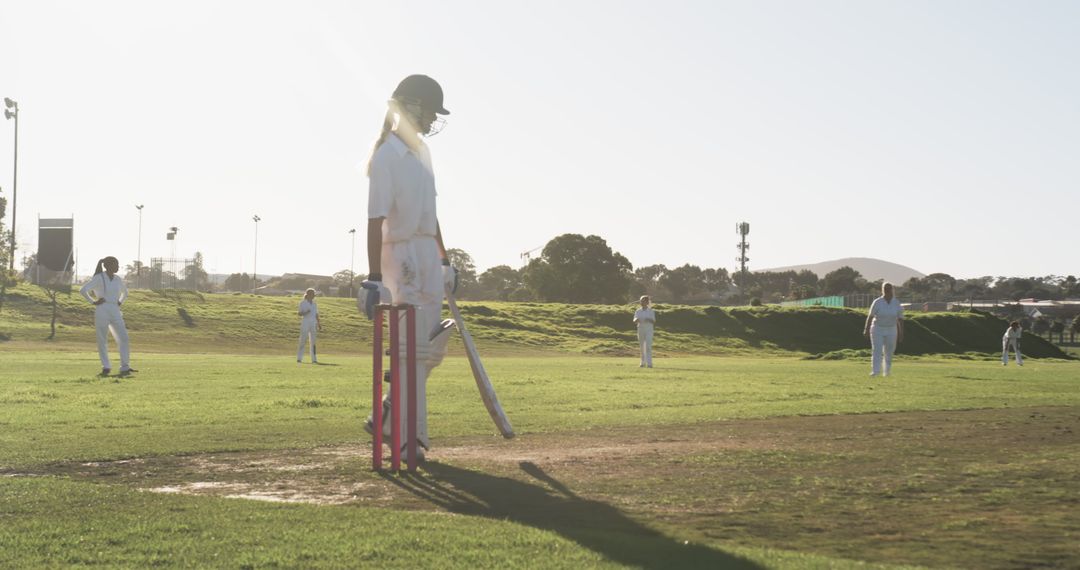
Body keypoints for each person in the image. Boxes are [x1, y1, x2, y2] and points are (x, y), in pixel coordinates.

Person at [358, 74, 458, 461]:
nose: (433, 120)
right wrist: (374, 278)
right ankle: (408, 435)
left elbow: (432, 214)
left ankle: (386, 413)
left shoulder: (423, 154)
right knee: (410, 349)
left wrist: (444, 258)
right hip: (398, 255)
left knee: (431, 349)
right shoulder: (386, 156)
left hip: (426, 253)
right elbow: (374, 219)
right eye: (431, 111)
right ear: (412, 106)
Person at [79, 256, 136, 376]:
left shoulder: (117, 279)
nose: (118, 267)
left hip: (115, 310)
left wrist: (120, 302)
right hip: (102, 309)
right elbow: (83, 290)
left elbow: (125, 293)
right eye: (116, 264)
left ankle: (125, 367)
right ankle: (106, 367)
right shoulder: (99, 277)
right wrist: (93, 302)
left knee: (124, 338)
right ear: (108, 266)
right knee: (102, 340)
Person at [863, 282, 904, 377]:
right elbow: (870, 317)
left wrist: (901, 333)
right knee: (877, 350)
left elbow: (900, 319)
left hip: (891, 329)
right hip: (877, 329)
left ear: (892, 290)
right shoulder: (877, 302)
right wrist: (866, 329)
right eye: (885, 289)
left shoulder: (896, 303)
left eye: (889, 289)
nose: (887, 290)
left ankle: (887, 372)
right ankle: (875, 371)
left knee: (889, 351)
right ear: (882, 290)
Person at [297, 288, 322, 363]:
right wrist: (306, 312)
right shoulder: (302, 303)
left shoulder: (314, 304)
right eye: (312, 294)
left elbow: (316, 314)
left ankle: (314, 359)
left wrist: (319, 323)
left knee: (313, 342)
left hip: (313, 323)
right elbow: (299, 313)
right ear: (308, 295)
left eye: (314, 295)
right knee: (303, 340)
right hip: (305, 322)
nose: (314, 296)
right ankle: (299, 358)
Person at [634, 295, 656, 368]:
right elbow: (634, 319)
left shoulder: (651, 311)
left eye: (643, 301)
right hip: (640, 329)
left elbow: (653, 321)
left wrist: (648, 319)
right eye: (641, 301)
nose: (641, 302)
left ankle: (649, 363)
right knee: (642, 347)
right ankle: (642, 362)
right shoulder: (638, 311)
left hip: (649, 330)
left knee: (648, 346)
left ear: (647, 302)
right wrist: (636, 320)